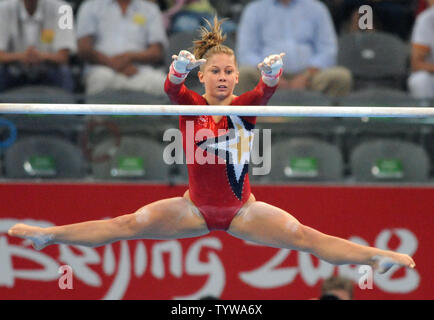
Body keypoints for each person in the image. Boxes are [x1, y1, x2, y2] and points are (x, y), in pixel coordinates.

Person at [8, 17, 415, 277]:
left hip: (244, 210)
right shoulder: (191, 105)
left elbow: (264, 94)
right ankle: (51, 237)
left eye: (228, 72)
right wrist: (177, 72)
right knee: (125, 226)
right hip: (192, 208)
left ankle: (373, 257)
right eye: (214, 71)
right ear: (203, 78)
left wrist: (271, 78)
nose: (222, 77)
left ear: (237, 77)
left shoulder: (245, 105)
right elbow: (171, 89)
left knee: (306, 237)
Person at [236, 0, 353, 98]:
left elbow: (328, 49)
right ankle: (251, 123)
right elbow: (246, 53)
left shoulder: (317, 8)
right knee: (243, 74)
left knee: (341, 76)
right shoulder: (254, 10)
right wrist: (272, 75)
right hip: (265, 75)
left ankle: (326, 124)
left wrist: (306, 76)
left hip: (310, 76)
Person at [76, 0, 168, 95]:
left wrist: (129, 57)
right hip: (102, 67)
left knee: (162, 84)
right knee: (101, 78)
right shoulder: (91, 6)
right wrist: (113, 63)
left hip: (138, 69)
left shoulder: (150, 9)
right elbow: (84, 48)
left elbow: (156, 51)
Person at [0, 0, 76, 92]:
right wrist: (22, 56)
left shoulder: (63, 9)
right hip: (14, 71)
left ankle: (66, 105)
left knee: (64, 73)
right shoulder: (2, 8)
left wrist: (39, 56)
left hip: (49, 71)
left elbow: (63, 57)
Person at [408, 0, 434, 99]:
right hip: (432, 74)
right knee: (420, 80)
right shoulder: (427, 19)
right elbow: (416, 64)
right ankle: (426, 114)